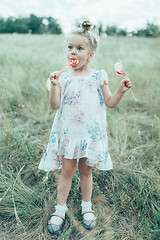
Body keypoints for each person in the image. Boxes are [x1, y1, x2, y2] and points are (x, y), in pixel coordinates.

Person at [38, 20, 132, 234]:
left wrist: (120, 91)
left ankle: (86, 207)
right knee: (67, 170)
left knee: (86, 170)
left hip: (90, 135)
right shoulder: (62, 77)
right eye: (70, 47)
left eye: (79, 48)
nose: (73, 52)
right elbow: (55, 105)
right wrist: (54, 87)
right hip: (69, 134)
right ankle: (60, 209)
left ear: (90, 54)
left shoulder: (98, 76)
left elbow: (110, 102)